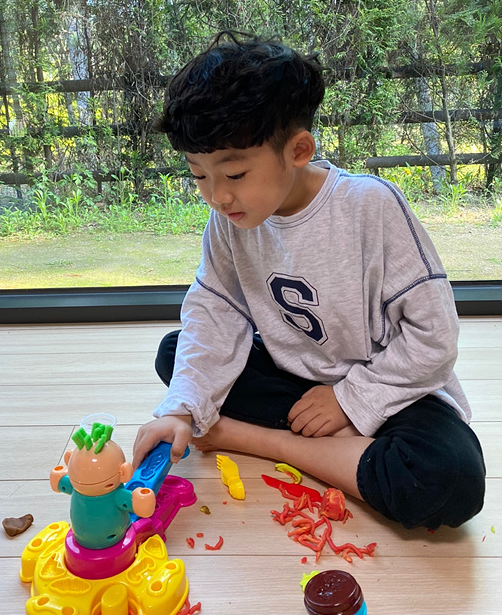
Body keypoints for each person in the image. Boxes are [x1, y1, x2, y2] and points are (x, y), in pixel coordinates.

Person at [132, 32, 486, 530]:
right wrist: (182, 412)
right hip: (296, 377)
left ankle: (255, 438)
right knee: (176, 356)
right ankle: (340, 450)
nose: (217, 197)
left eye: (234, 175)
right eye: (199, 176)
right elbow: (214, 314)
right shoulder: (228, 221)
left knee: (450, 479)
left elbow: (435, 339)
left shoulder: (370, 206)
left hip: (386, 386)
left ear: (298, 150)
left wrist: (348, 401)